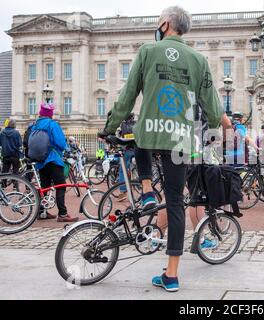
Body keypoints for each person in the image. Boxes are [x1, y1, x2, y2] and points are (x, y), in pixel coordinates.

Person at [99, 6, 223, 293]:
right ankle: (172, 274)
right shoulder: (199, 60)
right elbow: (214, 109)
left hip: (149, 135)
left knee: (139, 138)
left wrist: (110, 126)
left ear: (165, 24)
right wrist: (210, 131)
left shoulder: (147, 51)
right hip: (180, 140)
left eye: (159, 22)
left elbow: (128, 95)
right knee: (177, 204)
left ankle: (146, 192)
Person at [28, 103, 79, 223]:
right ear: (50, 114)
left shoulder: (35, 125)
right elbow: (61, 143)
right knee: (61, 185)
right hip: (53, 159)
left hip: (40, 160)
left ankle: (42, 212)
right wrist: (66, 149)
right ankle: (62, 213)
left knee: (44, 187)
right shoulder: (52, 124)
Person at [117, 113, 137, 202]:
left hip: (128, 150)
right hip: (137, 149)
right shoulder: (137, 124)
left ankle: (123, 191)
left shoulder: (123, 125)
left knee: (123, 170)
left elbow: (120, 138)